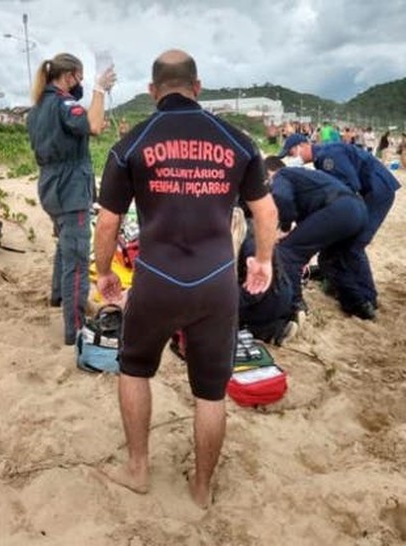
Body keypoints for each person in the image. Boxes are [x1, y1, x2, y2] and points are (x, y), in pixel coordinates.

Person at [93, 49, 278, 509]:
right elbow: (265, 210)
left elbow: (107, 222)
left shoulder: (132, 143)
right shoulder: (238, 141)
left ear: (154, 92)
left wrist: (104, 275)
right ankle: (201, 487)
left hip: (157, 277)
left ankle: (137, 470)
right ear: (197, 87)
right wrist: (264, 261)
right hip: (216, 280)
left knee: (134, 368)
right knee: (211, 392)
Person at [26, 53, 116, 345]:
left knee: (65, 245)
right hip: (70, 188)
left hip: (50, 186)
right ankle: (74, 328)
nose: (81, 84)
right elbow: (91, 125)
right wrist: (100, 90)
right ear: (70, 76)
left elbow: (88, 126)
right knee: (76, 258)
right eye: (80, 78)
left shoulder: (37, 108)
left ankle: (57, 297)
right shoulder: (65, 104)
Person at [277, 133, 400, 311]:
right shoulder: (322, 158)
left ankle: (367, 297)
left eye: (291, 152)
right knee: (340, 246)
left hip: (377, 191)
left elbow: (351, 185)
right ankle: (341, 285)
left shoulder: (328, 156)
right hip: (366, 194)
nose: (292, 157)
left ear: (303, 145)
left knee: (354, 245)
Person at [263, 156, 372, 319]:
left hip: (339, 210)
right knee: (332, 261)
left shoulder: (282, 174)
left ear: (270, 173)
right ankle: (359, 306)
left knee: (287, 252)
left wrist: (284, 228)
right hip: (359, 211)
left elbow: (282, 198)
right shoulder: (304, 179)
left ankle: (295, 306)